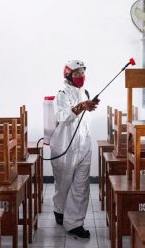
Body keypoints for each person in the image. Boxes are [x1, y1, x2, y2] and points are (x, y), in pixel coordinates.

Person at [50, 60, 99, 238]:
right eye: (77, 73)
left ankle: (75, 223)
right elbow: (63, 116)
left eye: (82, 72)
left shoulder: (84, 92)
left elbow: (84, 117)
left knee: (81, 185)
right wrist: (82, 106)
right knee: (64, 184)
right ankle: (59, 210)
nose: (81, 76)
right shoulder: (61, 94)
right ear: (68, 75)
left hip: (84, 144)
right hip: (65, 145)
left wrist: (88, 104)